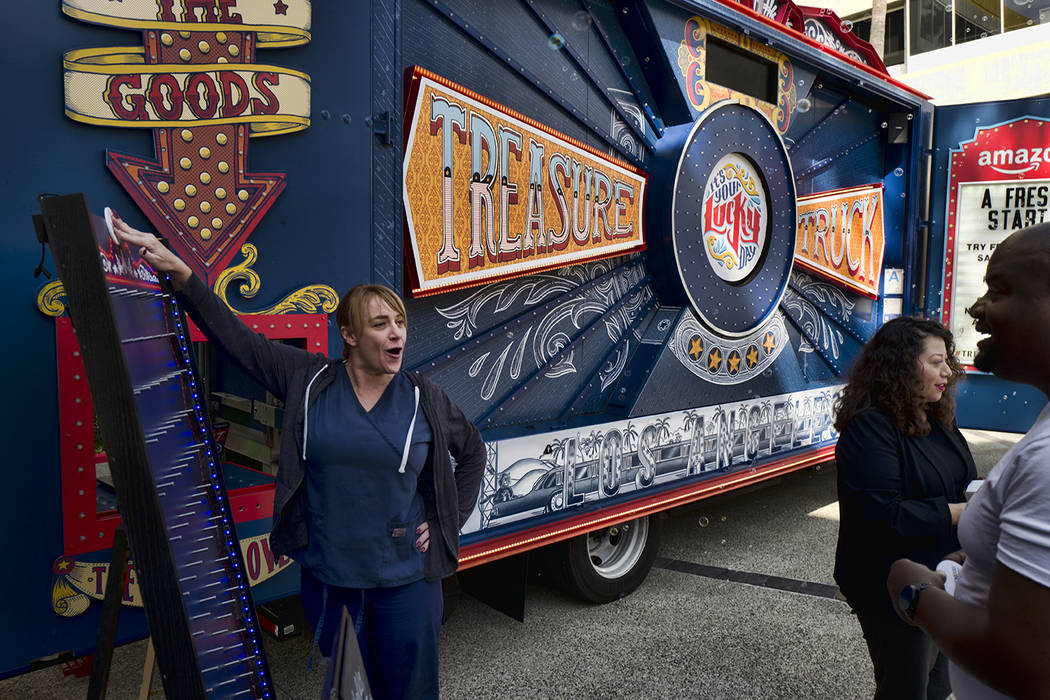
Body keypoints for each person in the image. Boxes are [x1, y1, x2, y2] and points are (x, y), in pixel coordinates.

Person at [112, 214, 486, 699]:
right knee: (350, 690)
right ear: (349, 335)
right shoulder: (309, 382)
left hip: (406, 587)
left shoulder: (424, 397)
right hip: (332, 583)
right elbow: (239, 341)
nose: (396, 333)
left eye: (399, 322)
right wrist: (183, 278)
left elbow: (473, 453)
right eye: (380, 324)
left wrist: (444, 523)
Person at [888, 224, 1050, 699]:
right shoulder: (872, 426)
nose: (977, 309)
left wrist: (914, 593)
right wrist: (981, 554)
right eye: (935, 361)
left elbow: (1026, 666)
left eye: (997, 289)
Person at [833, 316, 976, 699]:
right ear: (900, 365)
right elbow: (882, 516)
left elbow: (961, 482)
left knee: (940, 685)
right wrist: (964, 512)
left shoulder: (937, 417)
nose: (947, 371)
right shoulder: (870, 428)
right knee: (906, 686)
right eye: (936, 361)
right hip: (890, 581)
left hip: (943, 575)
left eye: (948, 361)